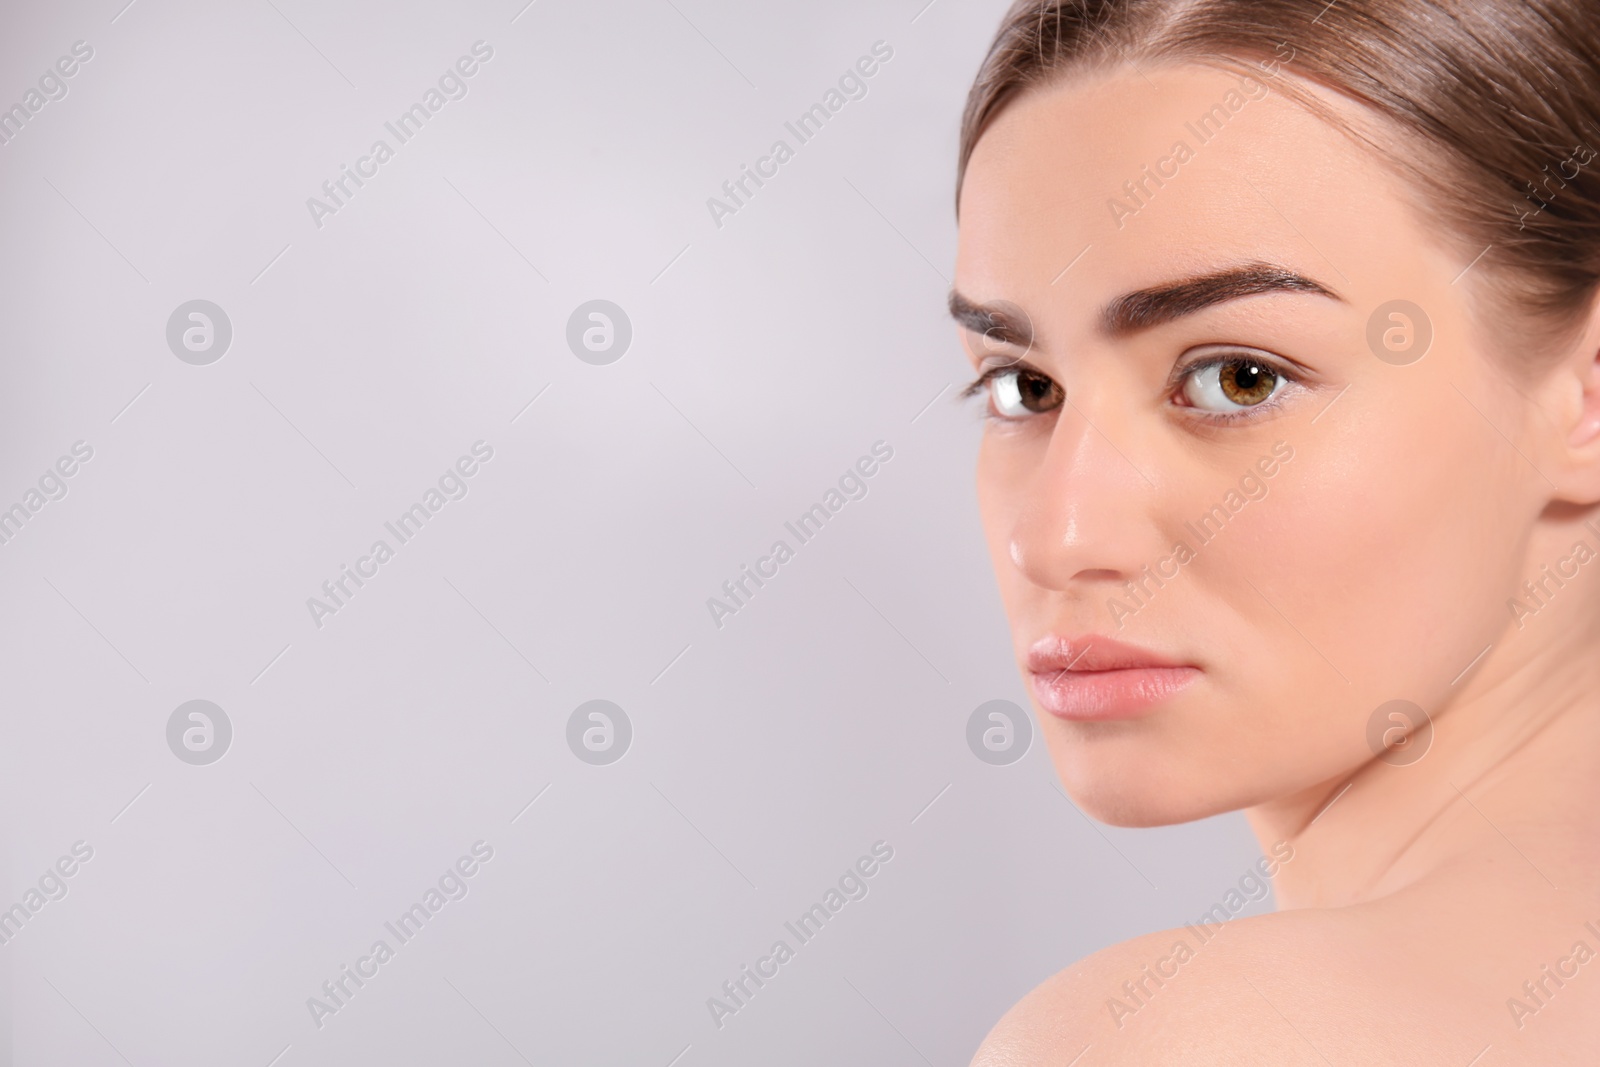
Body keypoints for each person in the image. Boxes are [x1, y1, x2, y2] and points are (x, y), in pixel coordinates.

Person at [951, 1, 1600, 1062]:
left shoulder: (1172, 1038)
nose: (1056, 536)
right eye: (1024, 387)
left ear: (1585, 390)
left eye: (1236, 377)